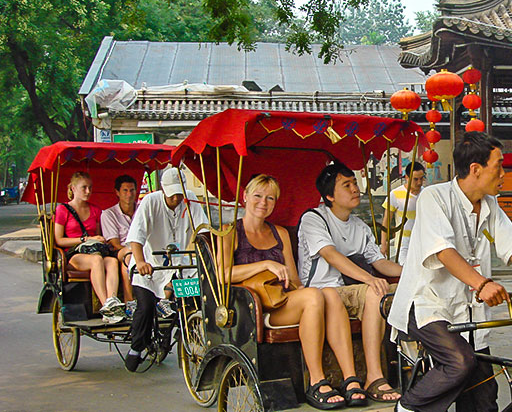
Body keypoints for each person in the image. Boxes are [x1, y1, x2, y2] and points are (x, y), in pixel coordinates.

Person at [388, 132, 512, 412]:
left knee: (483, 399)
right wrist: (482, 284)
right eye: (499, 166)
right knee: (459, 361)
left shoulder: (490, 204)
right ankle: (407, 409)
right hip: (426, 305)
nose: (504, 174)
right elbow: (443, 250)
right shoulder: (434, 197)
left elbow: (511, 243)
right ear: (476, 169)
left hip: (466, 310)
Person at [220, 174, 368, 409]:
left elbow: (295, 278)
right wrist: (265, 264)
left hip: (284, 299)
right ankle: (316, 380)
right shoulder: (230, 231)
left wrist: (307, 292)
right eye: (258, 196)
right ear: (245, 197)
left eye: (270, 198)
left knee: (327, 293)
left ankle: (350, 378)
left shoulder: (279, 233)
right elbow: (223, 274)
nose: (263, 202)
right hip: (254, 306)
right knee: (313, 296)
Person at [298, 161, 402, 403]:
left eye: (355, 183)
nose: (355, 189)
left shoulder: (358, 225)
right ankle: (374, 377)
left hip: (353, 291)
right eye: (346, 185)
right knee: (375, 292)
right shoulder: (314, 219)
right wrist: (369, 279)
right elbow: (330, 254)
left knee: (402, 291)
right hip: (324, 291)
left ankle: (412, 363)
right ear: (329, 196)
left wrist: (411, 273)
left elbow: (379, 262)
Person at [124, 168, 209, 372]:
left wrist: (203, 252)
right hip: (150, 266)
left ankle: (186, 332)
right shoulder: (150, 202)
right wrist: (141, 261)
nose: (177, 198)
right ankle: (136, 347)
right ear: (163, 190)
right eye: (173, 195)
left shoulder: (189, 200)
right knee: (145, 306)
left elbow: (203, 230)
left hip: (179, 266)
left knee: (194, 298)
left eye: (180, 193)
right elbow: (136, 236)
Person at [53, 171, 124, 323]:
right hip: (73, 254)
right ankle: (106, 306)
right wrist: (84, 239)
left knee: (111, 262)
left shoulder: (95, 210)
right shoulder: (63, 210)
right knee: (97, 260)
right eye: (84, 188)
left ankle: (112, 302)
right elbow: (59, 240)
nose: (88, 191)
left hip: (93, 251)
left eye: (90, 188)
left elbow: (98, 238)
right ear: (72, 188)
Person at [101, 174, 138, 317]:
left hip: (141, 249)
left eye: (132, 190)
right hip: (119, 251)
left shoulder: (142, 210)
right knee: (129, 256)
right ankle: (130, 301)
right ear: (117, 192)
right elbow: (115, 243)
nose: (129, 194)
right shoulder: (109, 214)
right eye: (125, 191)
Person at [380, 161, 425, 264]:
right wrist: (383, 244)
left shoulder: (426, 193)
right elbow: (386, 220)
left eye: (421, 178)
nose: (419, 182)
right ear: (407, 177)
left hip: (422, 239)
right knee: (405, 269)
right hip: (403, 241)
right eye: (415, 179)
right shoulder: (395, 194)